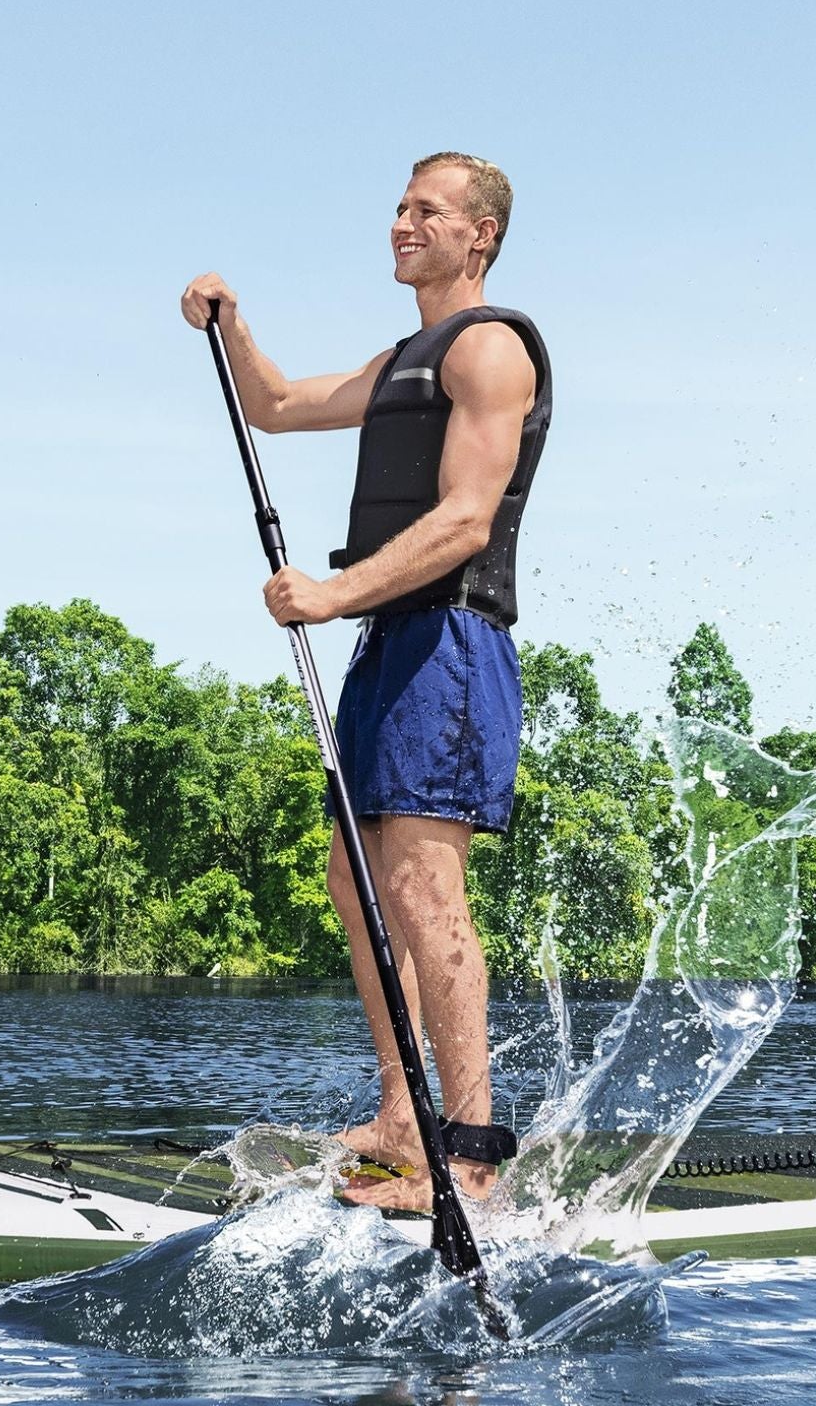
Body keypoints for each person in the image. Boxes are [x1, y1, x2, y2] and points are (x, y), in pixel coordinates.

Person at [180, 153, 553, 1214]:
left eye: (425, 210)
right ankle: (400, 1117)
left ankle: (469, 1153)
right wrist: (229, 323)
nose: (401, 223)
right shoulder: (405, 357)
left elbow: (464, 519)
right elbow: (276, 404)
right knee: (357, 880)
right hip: (388, 639)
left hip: (451, 640)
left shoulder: (489, 349)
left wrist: (332, 592)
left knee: (423, 891)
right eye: (397, 207)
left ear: (477, 234)